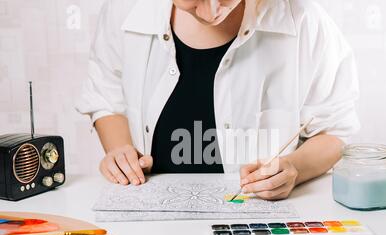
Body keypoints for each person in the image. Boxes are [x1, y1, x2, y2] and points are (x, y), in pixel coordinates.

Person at [76, 0, 360, 200]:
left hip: (255, 226)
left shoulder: (305, 19)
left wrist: (295, 169)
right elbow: (106, 97)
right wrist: (120, 152)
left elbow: (335, 131)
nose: (212, 10)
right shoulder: (122, 10)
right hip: (150, 224)